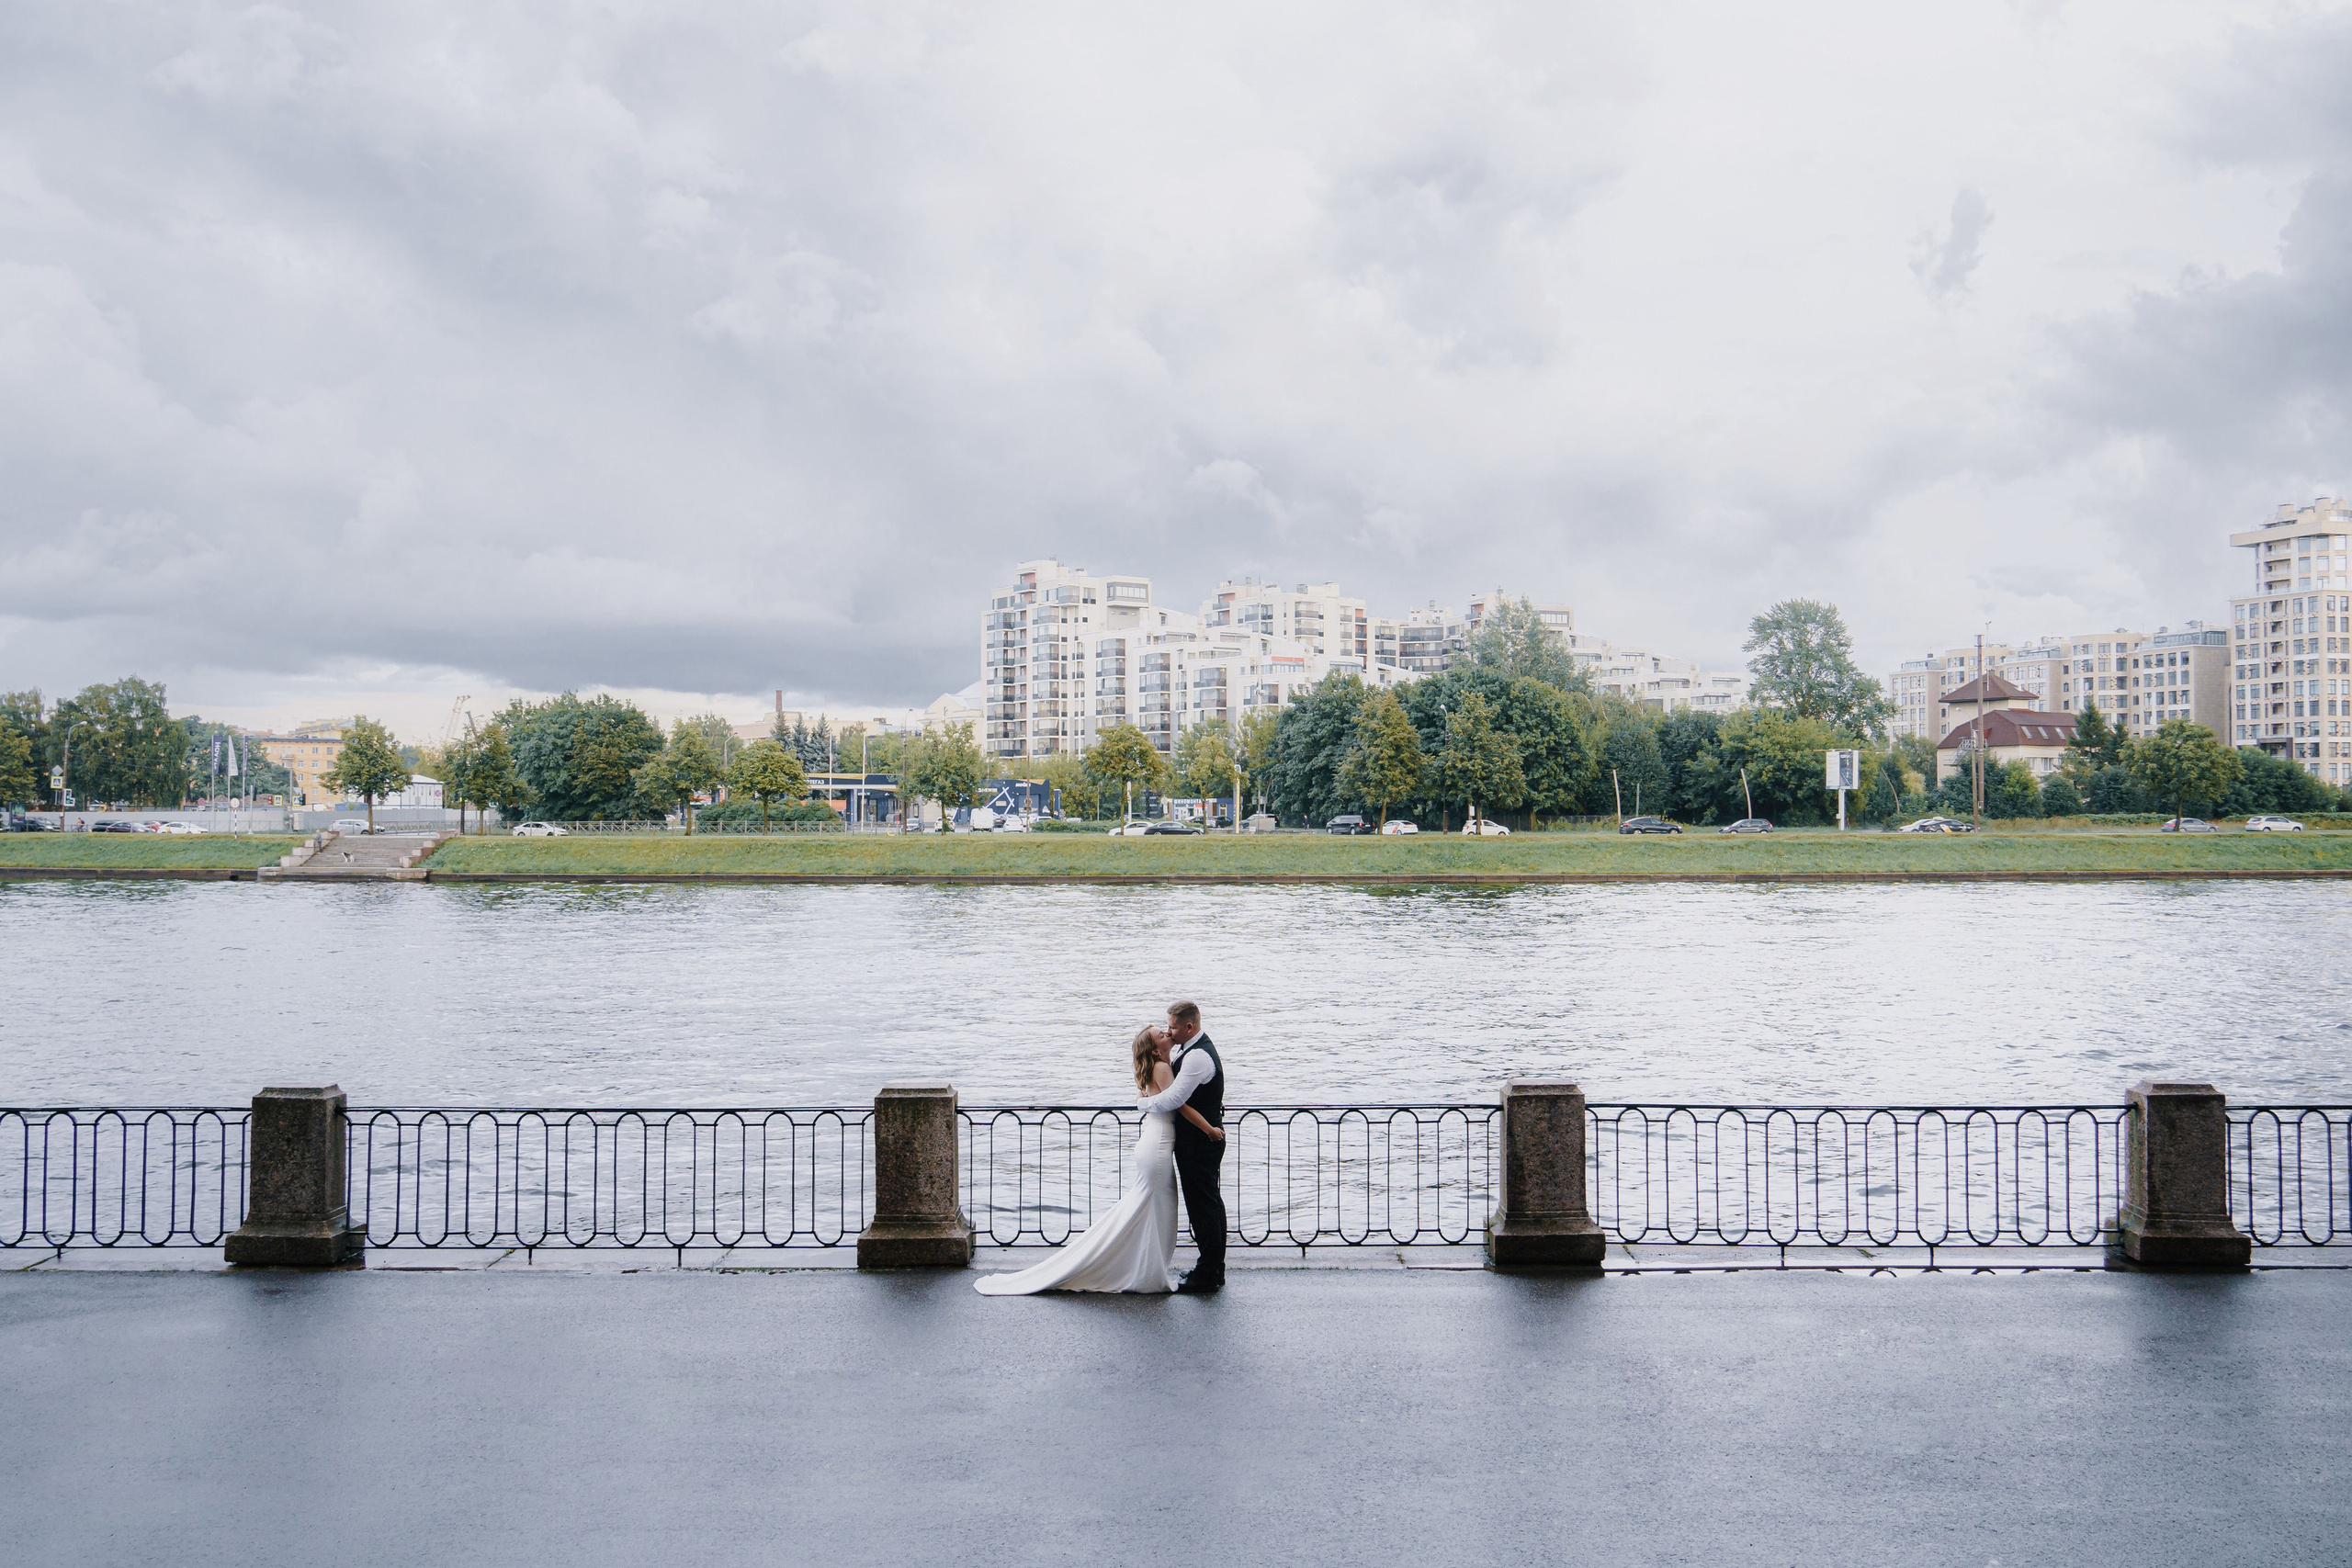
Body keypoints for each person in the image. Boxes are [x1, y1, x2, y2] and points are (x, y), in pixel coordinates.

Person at [973, 1025, 1217, 1295]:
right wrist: (1209, 1129)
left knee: (1148, 1210)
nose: (1167, 1034)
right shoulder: (1161, 1069)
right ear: (1155, 1050)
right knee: (1157, 1211)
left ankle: (1140, 1268)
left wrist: (1142, 1100)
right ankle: (1143, 1272)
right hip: (1157, 1147)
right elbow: (1179, 1105)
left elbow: (1151, 1098)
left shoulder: (1159, 1067)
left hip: (1153, 1143)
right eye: (1161, 1034)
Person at [1138, 999, 1227, 1294]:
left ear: (1189, 1027)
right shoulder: (1188, 1050)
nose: (1169, 1032)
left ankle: (1209, 1272)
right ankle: (1212, 1267)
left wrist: (1143, 1104)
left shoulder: (1197, 1057)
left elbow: (1175, 1099)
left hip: (1200, 1143)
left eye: (1172, 1027)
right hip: (1197, 1141)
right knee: (1208, 1203)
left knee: (1204, 1207)